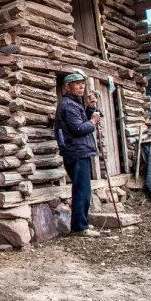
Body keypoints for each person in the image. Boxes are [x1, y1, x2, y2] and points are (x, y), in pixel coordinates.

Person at [55, 71, 102, 237]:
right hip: (76, 151)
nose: (81, 86)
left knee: (83, 189)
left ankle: (81, 223)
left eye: (82, 83)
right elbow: (78, 129)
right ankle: (80, 227)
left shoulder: (75, 104)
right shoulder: (68, 105)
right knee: (82, 190)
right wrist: (94, 121)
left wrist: (89, 109)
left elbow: (80, 123)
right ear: (68, 87)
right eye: (77, 84)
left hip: (78, 150)